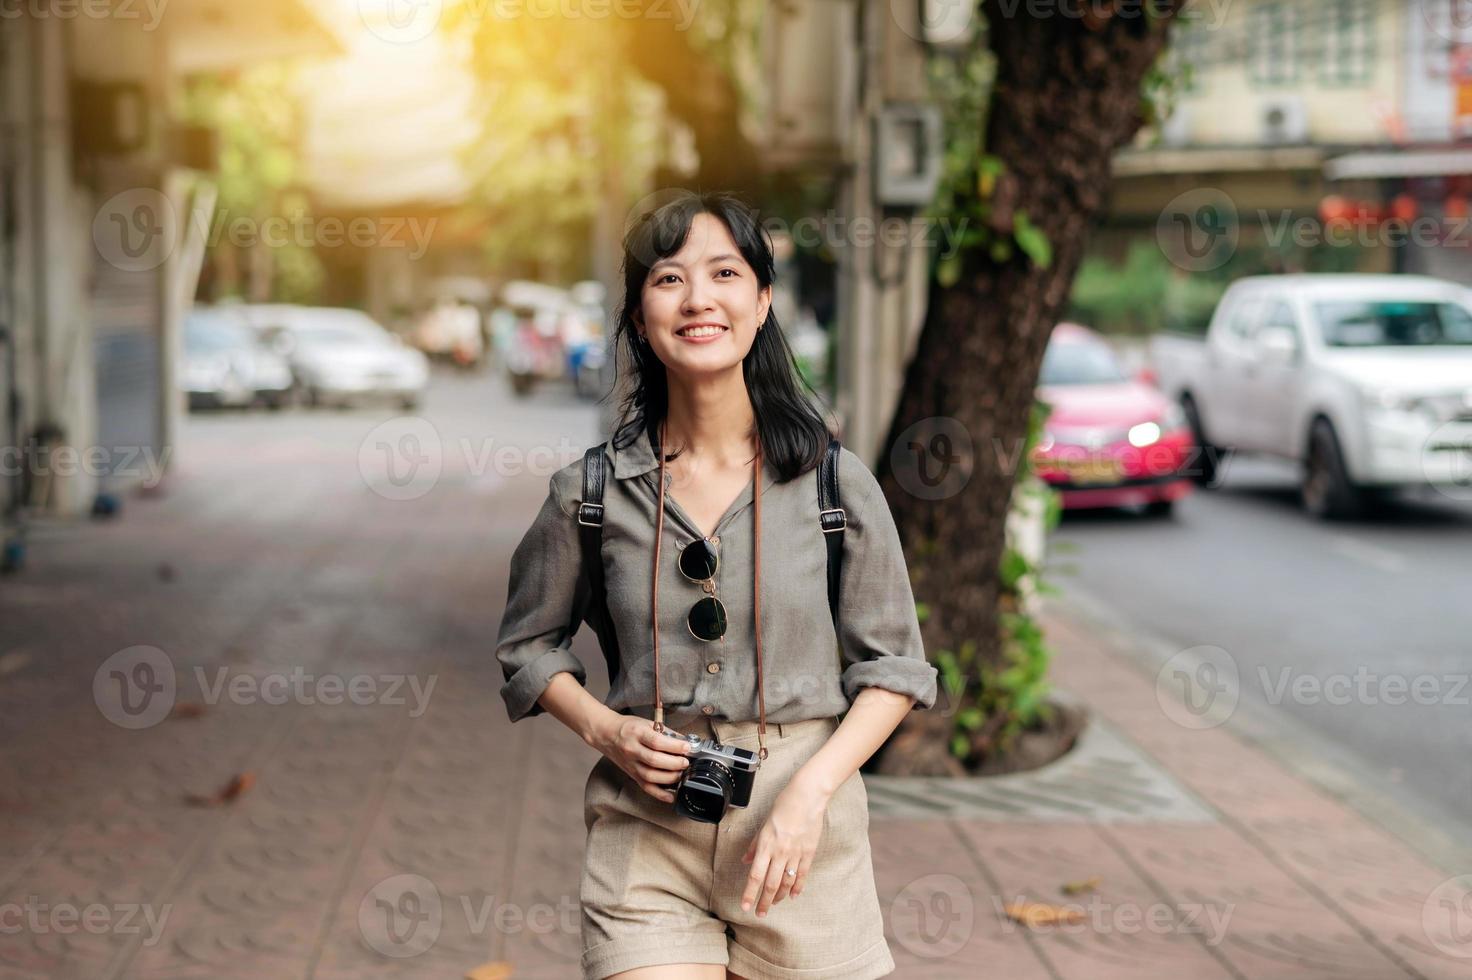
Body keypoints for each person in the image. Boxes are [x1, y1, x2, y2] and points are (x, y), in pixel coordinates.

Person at [495, 191, 938, 980]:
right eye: (668, 279)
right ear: (638, 315)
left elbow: (895, 668)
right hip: (646, 829)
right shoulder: (589, 493)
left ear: (762, 301)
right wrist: (605, 730)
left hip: (804, 830)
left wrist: (812, 795)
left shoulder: (834, 484)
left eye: (724, 273)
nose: (698, 298)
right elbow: (529, 644)